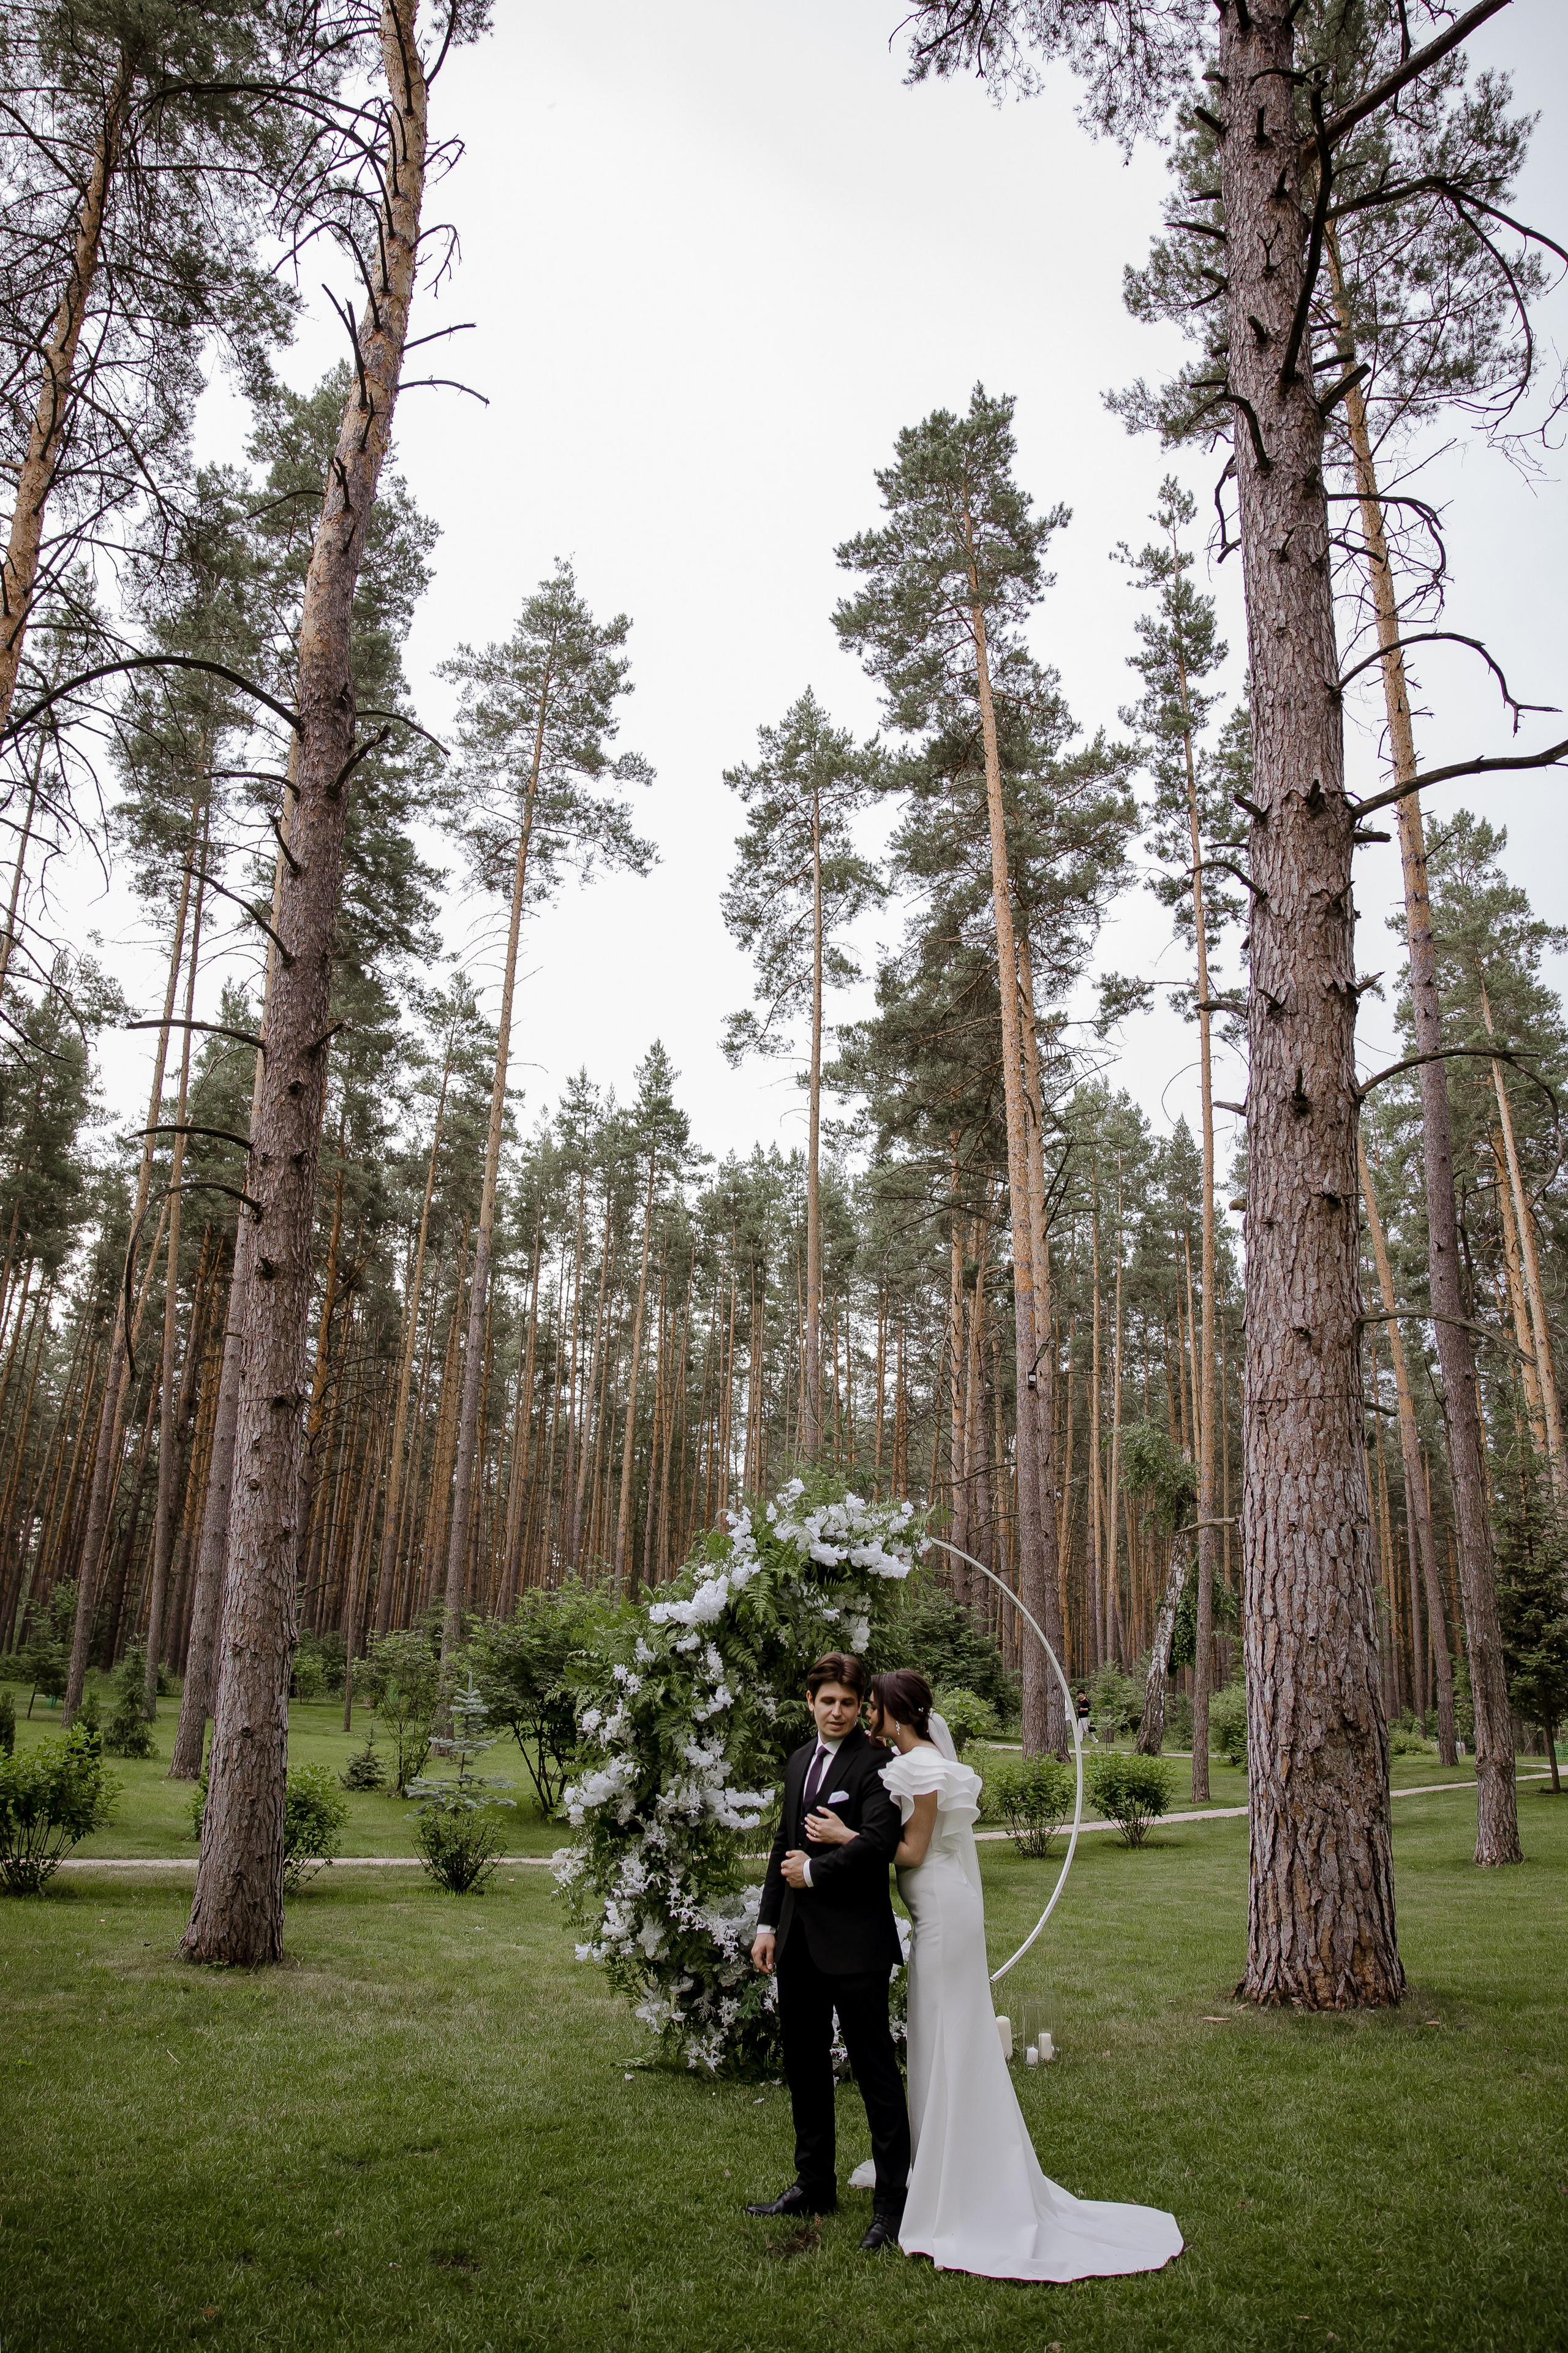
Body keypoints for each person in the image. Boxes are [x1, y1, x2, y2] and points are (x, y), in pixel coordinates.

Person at [810, 1667, 1183, 2281]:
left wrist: (847, 1833)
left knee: (949, 2029)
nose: (866, 1717)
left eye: (872, 1707)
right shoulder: (922, 1758)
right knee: (939, 2030)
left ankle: (959, 2174)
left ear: (893, 1712)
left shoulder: (922, 1768)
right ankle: (937, 2157)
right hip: (941, 1906)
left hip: (941, 1914)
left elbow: (911, 1851)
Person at [748, 1651, 911, 2253]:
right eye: (827, 1701)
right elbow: (782, 1846)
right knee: (805, 2069)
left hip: (856, 1945)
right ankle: (814, 2184)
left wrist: (813, 1875)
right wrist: (768, 1923)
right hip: (796, 1946)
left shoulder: (877, 1764)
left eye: (848, 1702)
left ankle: (892, 2205)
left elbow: (879, 1843)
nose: (837, 1711)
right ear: (810, 1702)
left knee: (875, 2074)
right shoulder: (797, 1761)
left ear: (860, 1704)